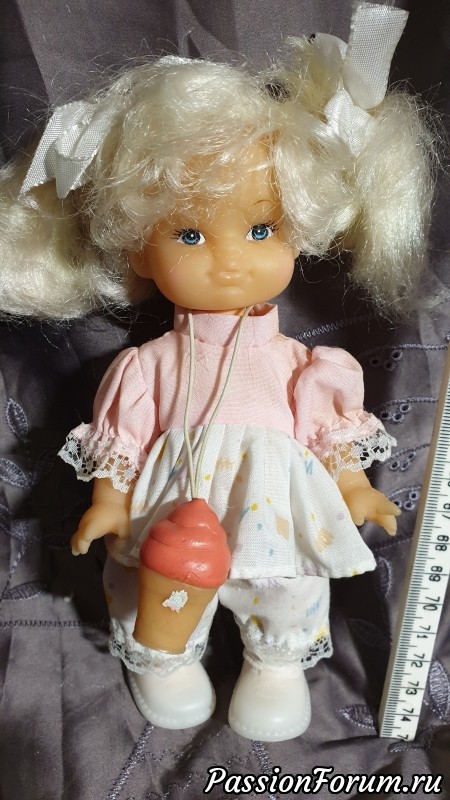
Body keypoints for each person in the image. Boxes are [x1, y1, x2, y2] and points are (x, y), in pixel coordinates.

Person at [0, 4, 435, 741]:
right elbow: (123, 439)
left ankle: (276, 663)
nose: (229, 260)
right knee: (148, 576)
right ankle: (164, 660)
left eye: (261, 229)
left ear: (298, 228)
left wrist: (354, 485)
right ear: (141, 251)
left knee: (287, 585)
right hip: (170, 498)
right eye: (190, 234)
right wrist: (109, 501)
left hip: (275, 500)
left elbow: (327, 430)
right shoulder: (147, 366)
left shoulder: (304, 364)